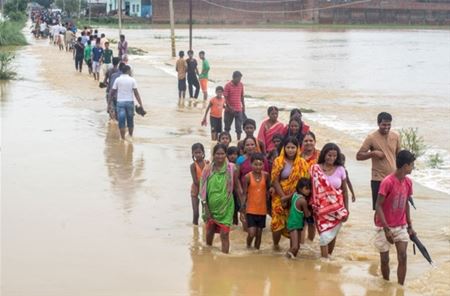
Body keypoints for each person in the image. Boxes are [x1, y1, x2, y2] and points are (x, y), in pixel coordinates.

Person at [374, 150, 416, 286]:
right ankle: (385, 285)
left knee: (403, 256)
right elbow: (378, 205)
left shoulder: (408, 182)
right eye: (412, 165)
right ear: (405, 166)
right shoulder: (388, 182)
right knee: (385, 259)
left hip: (401, 225)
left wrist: (410, 226)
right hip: (383, 225)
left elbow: (406, 204)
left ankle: (400, 288)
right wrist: (386, 230)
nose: (413, 167)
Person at [199, 144, 242, 254]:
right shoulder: (207, 170)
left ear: (226, 155)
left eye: (222, 153)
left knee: (225, 234)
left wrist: (242, 206)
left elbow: (237, 187)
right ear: (213, 155)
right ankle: (207, 255)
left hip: (226, 206)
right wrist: (206, 208)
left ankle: (225, 259)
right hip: (211, 207)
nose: (220, 156)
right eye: (217, 153)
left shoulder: (232, 168)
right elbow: (203, 191)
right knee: (209, 232)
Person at [310, 143, 349, 258]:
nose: (331, 158)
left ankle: (329, 259)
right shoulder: (315, 169)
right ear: (324, 154)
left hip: (337, 209)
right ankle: (324, 261)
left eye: (334, 156)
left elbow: (345, 191)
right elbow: (311, 188)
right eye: (329, 155)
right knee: (324, 237)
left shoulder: (341, 169)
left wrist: (347, 209)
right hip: (321, 210)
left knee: (332, 235)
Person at [356, 112, 401, 210]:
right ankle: (379, 226)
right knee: (378, 209)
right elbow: (358, 156)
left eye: (389, 124)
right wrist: (373, 153)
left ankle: (390, 226)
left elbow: (399, 156)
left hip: (393, 178)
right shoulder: (371, 138)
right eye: (384, 124)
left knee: (393, 208)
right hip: (378, 179)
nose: (387, 127)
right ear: (378, 124)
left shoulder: (396, 136)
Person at [270, 137, 309, 249]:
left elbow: (304, 184)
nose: (290, 150)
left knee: (293, 223)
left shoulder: (302, 163)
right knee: (276, 223)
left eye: (293, 147)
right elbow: (275, 181)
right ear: (284, 148)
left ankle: (292, 250)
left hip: (295, 197)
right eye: (288, 147)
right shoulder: (278, 161)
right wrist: (283, 197)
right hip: (279, 196)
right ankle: (275, 246)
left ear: (297, 149)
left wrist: (288, 197)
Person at [242, 153, 271, 249]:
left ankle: (256, 253)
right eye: (255, 164)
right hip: (250, 209)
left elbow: (268, 190)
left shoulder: (266, 176)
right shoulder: (247, 177)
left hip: (262, 210)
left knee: (259, 234)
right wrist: (242, 210)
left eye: (260, 164)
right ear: (251, 164)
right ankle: (248, 246)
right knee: (252, 233)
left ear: (263, 165)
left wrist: (270, 208)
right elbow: (244, 194)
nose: (258, 167)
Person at [110, 65, 144, 140]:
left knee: (121, 121)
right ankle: (130, 137)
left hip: (120, 103)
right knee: (130, 121)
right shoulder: (132, 80)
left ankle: (123, 139)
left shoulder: (117, 80)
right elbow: (136, 93)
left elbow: (112, 92)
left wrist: (109, 103)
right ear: (128, 71)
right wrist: (141, 104)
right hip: (129, 102)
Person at [284, 178, 312, 258]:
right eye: (306, 189)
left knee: (295, 247)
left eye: (309, 189)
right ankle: (285, 260)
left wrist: (284, 204)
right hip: (294, 225)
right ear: (300, 189)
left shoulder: (295, 194)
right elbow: (307, 215)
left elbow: (284, 200)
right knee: (295, 247)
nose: (309, 191)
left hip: (294, 223)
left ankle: (290, 261)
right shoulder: (303, 201)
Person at [224, 71, 245, 141]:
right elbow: (225, 98)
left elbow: (242, 96)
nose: (239, 80)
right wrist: (229, 107)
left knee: (239, 128)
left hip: (238, 109)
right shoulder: (227, 85)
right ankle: (226, 140)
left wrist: (243, 106)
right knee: (227, 127)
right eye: (238, 79)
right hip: (229, 110)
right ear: (234, 78)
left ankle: (238, 141)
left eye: (240, 79)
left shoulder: (241, 85)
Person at [190, 143, 207, 225]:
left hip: (206, 190)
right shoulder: (192, 166)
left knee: (205, 213)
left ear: (203, 152)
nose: (198, 154)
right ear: (193, 153)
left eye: (199, 152)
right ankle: (195, 230)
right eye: (196, 153)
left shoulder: (207, 163)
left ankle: (205, 229)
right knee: (196, 213)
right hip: (195, 190)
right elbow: (195, 181)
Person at [226, 146, 240, 225]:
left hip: (236, 191)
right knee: (229, 210)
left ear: (238, 155)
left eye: (235, 154)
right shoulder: (226, 165)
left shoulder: (238, 165)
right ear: (227, 155)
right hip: (228, 191)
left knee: (235, 210)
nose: (232, 156)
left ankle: (235, 226)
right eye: (230, 154)